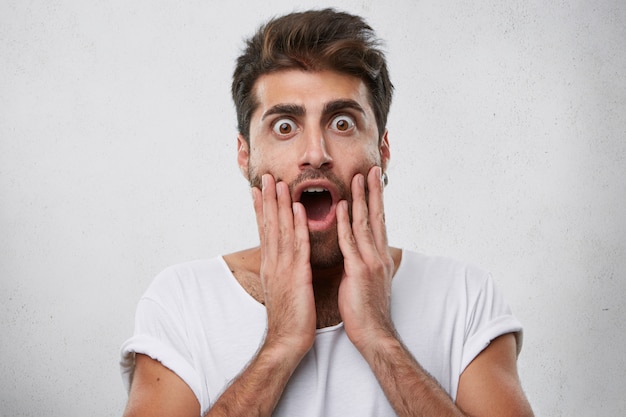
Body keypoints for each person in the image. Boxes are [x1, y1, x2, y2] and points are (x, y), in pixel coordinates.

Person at [120, 8, 534, 417]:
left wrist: (378, 337)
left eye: (342, 123)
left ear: (383, 151)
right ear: (245, 156)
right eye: (284, 126)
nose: (315, 153)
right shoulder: (181, 301)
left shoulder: (464, 295)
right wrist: (280, 344)